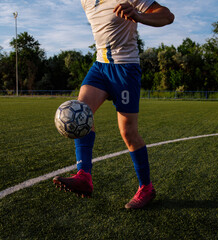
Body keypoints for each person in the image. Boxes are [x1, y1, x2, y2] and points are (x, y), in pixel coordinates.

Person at [53, 0, 174, 209]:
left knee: (128, 133)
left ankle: (146, 188)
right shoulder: (86, 1)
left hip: (125, 69)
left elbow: (167, 16)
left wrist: (138, 15)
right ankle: (84, 176)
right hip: (100, 67)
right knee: (80, 111)